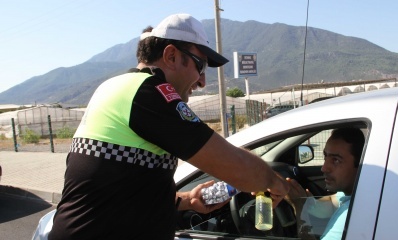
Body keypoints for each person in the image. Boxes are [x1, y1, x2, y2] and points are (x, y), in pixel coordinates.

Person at [49, 13, 289, 240]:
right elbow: (233, 166)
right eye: (200, 66)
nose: (203, 82)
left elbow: (117, 183)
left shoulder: (119, 87)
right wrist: (274, 181)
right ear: (171, 56)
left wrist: (185, 200)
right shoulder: (147, 92)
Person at [285, 127, 365, 240]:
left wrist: (300, 208)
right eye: (325, 157)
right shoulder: (358, 192)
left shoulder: (353, 215)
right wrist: (308, 203)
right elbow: (333, 202)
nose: (324, 168)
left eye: (336, 160)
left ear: (360, 165)